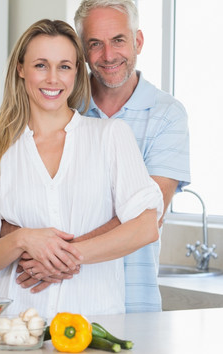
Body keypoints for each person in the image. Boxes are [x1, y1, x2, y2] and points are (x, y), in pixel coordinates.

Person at [0, 19, 163, 318]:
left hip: (94, 325)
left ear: (77, 71)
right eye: (41, 65)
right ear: (21, 69)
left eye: (64, 66)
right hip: (15, 329)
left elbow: (145, 227)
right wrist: (23, 239)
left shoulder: (110, 136)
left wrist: (65, 257)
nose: (53, 79)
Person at [12, 0, 191, 313]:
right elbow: (8, 207)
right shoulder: (56, 105)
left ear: (138, 41)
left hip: (133, 300)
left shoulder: (166, 115)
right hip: (48, 300)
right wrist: (40, 249)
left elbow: (147, 216)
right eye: (95, 44)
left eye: (118, 40)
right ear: (82, 51)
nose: (108, 56)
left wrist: (57, 257)